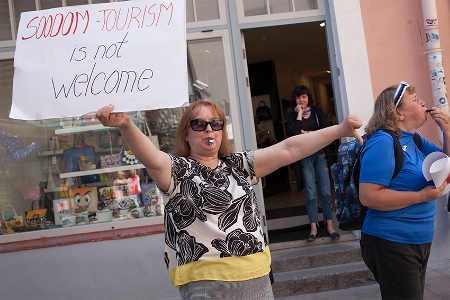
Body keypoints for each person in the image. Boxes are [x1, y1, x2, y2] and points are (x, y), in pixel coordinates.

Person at [96, 100, 362, 299]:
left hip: (256, 276)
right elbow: (150, 156)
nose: (208, 129)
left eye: (216, 123)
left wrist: (339, 130)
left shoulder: (239, 164)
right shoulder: (177, 170)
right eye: (199, 124)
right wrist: (126, 125)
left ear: (222, 130)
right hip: (206, 283)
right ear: (186, 133)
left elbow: (288, 149)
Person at [358, 81, 449, 299]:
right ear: (397, 113)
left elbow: (445, 163)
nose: (423, 103)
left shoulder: (414, 140)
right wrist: (421, 196)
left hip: (419, 239)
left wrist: (447, 131)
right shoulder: (383, 141)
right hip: (392, 240)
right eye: (416, 100)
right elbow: (369, 196)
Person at [285, 85, 340, 242]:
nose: (301, 100)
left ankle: (330, 226)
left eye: (304, 96)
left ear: (309, 97)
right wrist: (300, 114)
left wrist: (306, 134)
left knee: (326, 192)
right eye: (298, 97)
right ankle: (313, 229)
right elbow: (294, 133)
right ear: (294, 100)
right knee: (310, 194)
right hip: (305, 158)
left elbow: (326, 132)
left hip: (321, 155)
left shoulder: (317, 112)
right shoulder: (291, 116)